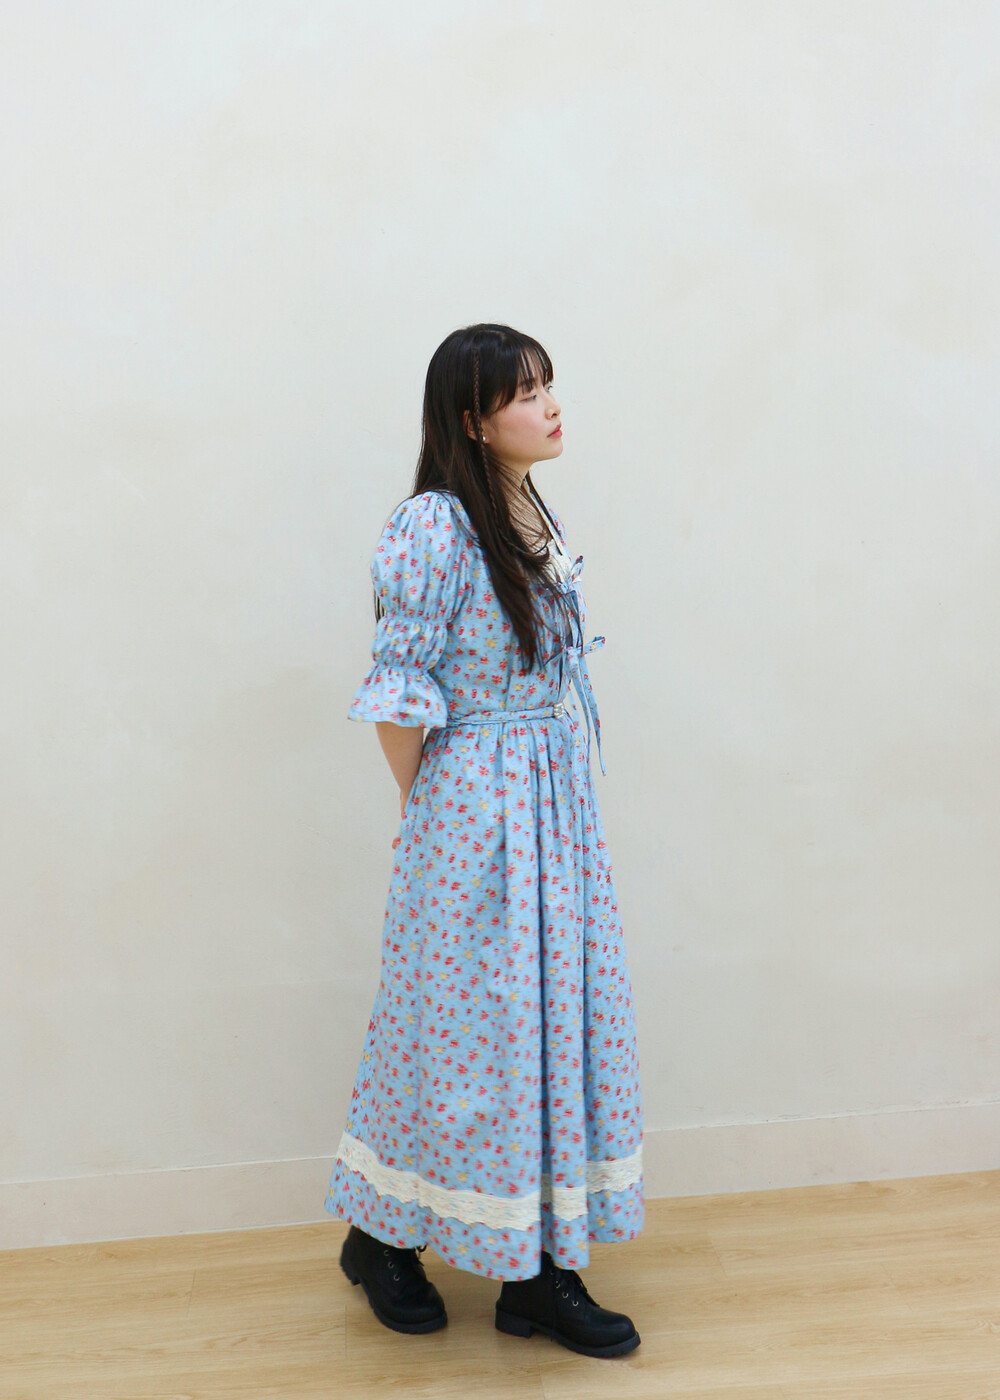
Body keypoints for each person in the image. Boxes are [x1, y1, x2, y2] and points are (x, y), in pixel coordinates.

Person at [325, 323, 644, 1360]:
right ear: (471, 420)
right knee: (459, 1027)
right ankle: (383, 1236)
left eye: (550, 384)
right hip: (475, 810)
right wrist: (430, 818)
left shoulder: (524, 508)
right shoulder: (434, 525)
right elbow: (399, 691)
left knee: (549, 1024)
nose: (550, 405)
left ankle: (535, 1271)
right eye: (525, 392)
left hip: (551, 803)